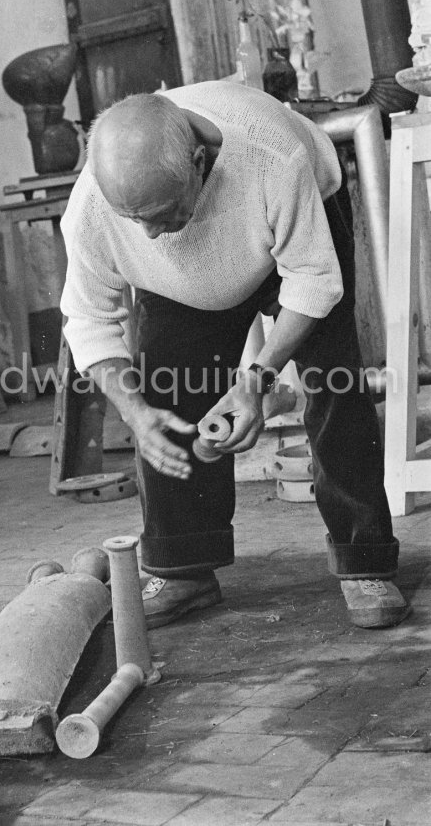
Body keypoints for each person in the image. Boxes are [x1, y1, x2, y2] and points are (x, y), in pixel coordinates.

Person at [60, 80, 410, 631]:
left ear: (200, 162)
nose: (148, 234)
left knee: (333, 381)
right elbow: (89, 319)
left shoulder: (272, 155)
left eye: (160, 212)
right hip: (181, 284)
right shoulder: (98, 208)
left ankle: (364, 561)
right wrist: (134, 413)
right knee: (160, 390)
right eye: (134, 219)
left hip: (293, 233)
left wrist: (255, 382)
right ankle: (185, 569)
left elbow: (314, 284)